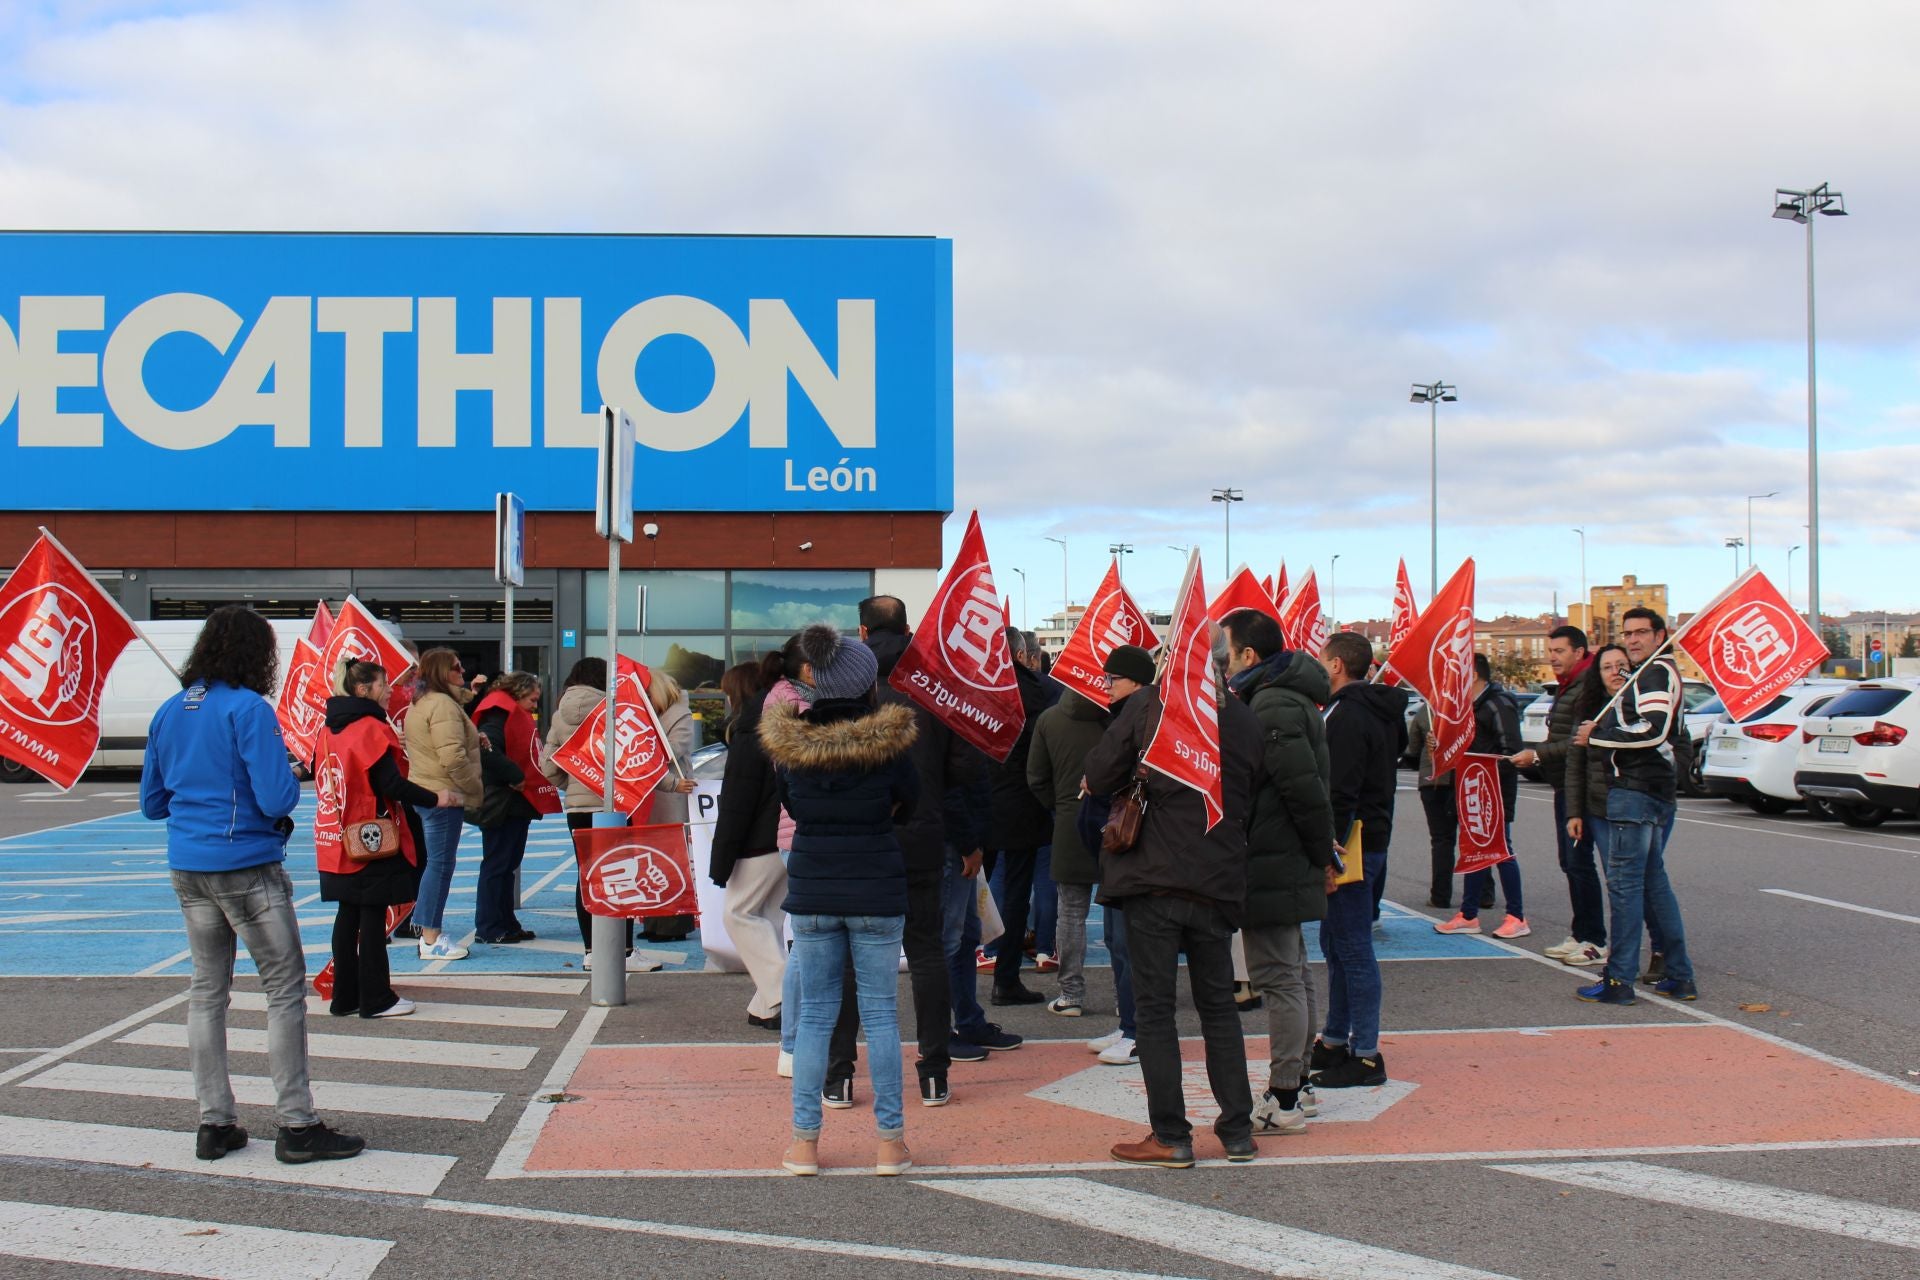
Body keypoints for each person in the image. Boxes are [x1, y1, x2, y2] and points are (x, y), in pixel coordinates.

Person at [139, 605, 364, 1164]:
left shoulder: (169, 711)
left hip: (188, 865)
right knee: (283, 989)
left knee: (207, 990)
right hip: (246, 863)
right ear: (255, 654)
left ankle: (215, 1122)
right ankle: (296, 1124)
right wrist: (285, 777)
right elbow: (276, 798)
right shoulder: (248, 709)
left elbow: (151, 803)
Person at [1083, 642, 1263, 1169]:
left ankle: (1170, 1135)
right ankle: (1236, 1130)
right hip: (1219, 876)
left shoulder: (1151, 707)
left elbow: (1098, 772)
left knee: (1156, 1010)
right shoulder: (1246, 723)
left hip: (1155, 876)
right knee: (1218, 1008)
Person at [760, 624, 920, 1177]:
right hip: (877, 883)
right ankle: (889, 1144)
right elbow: (911, 804)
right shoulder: (890, 744)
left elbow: (795, 810)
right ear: (865, 683)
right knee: (880, 1015)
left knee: (816, 1019)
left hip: (813, 886)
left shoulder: (791, 746)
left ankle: (804, 1143)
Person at [820, 595, 975, 1107]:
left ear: (862, 632)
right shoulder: (934, 686)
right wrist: (971, 838)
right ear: (907, 628)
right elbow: (962, 776)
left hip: (857, 844)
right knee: (928, 953)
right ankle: (934, 1072)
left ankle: (839, 1074)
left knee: (847, 959)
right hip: (922, 837)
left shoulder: (846, 689)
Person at [1221, 609, 1335, 1138]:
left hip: (1274, 854)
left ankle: (1285, 1095)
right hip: (1280, 852)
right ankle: (1299, 1084)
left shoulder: (1270, 704)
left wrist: (1321, 853)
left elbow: (1301, 787)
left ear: (1248, 655)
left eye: (1226, 649)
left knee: (1280, 976)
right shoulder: (1281, 697)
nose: (1221, 661)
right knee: (1294, 971)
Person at [315, 657, 461, 1019]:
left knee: (347, 915)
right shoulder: (369, 727)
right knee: (371, 915)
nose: (390, 689)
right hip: (371, 835)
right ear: (364, 690)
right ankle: (377, 998)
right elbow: (390, 784)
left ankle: (345, 996)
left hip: (335, 834)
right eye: (383, 684)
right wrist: (435, 797)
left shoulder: (329, 727)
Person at [1574, 607, 1699, 1004]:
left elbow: (1654, 728)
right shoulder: (1650, 672)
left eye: (1641, 632)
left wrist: (1598, 735)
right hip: (1649, 791)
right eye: (1627, 633)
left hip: (1636, 791)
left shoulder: (1655, 672)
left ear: (1660, 634)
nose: (1632, 640)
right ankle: (1679, 975)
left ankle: (1618, 979)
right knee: (1652, 885)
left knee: (1626, 888)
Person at [1312, 631, 1408, 1089]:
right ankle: (1335, 1038)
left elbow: (1340, 790)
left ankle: (1366, 1053)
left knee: (1351, 946)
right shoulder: (1375, 709)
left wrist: (1330, 852)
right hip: (1367, 836)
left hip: (1352, 842)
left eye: (1320, 658)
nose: (1316, 664)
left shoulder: (1349, 713)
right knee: (1337, 942)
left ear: (1336, 666)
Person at [1511, 625, 1607, 965]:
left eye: (1560, 651)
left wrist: (1537, 755)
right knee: (1571, 863)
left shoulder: (1588, 687)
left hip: (1580, 787)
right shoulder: (1569, 686)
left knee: (1580, 863)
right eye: (1551, 651)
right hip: (1565, 784)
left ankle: (1594, 938)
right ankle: (1582, 933)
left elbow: (1577, 741)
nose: (1552, 657)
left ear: (1579, 653)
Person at [711, 657, 789, 1029]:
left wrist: (722, 855)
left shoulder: (748, 729)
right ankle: (766, 1004)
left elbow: (738, 799)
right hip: (788, 831)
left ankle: (784, 994)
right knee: (769, 917)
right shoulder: (781, 718)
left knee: (739, 913)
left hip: (760, 836)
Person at [1026, 684, 1109, 1018]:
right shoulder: (1116, 720)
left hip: (1068, 821)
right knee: (1119, 915)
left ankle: (1071, 994)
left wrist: (1059, 808)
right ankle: (1125, 996)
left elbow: (1036, 777)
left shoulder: (1049, 720)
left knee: (1071, 912)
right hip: (1114, 826)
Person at [984, 626, 1055, 1007]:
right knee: (1016, 894)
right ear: (1022, 654)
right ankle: (1006, 978)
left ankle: (960, 975)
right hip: (1024, 804)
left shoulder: (973, 688)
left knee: (968, 894)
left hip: (979, 801)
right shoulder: (1037, 690)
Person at [1435, 654, 1528, 938]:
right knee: (1473, 848)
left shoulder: (1497, 703)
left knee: (1501, 849)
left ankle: (1517, 916)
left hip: (1495, 790)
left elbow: (1511, 749)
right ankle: (1469, 914)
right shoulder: (1468, 707)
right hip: (1472, 786)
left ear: (1473, 674)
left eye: (1457, 671)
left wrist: (1487, 768)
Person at [402, 648, 482, 961]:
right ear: (441, 673)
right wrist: (473, 787)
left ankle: (427, 931)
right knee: (440, 864)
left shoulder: (423, 702)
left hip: (427, 789)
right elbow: (451, 756)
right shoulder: (442, 705)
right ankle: (431, 936)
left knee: (435, 863)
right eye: (457, 668)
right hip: (444, 793)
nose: (463, 672)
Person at [472, 671, 559, 944]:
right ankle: (489, 926)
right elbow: (488, 751)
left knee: (507, 865)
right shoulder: (498, 712)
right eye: (532, 699)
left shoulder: (503, 710)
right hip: (504, 800)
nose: (535, 706)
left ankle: (506, 922)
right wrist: (516, 776)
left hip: (514, 801)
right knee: (497, 864)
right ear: (518, 693)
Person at [639, 670, 700, 943]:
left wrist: (643, 748)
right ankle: (654, 922)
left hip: (671, 793)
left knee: (671, 861)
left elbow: (677, 748)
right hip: (654, 792)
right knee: (651, 859)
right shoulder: (652, 713)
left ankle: (673, 924)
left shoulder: (680, 713)